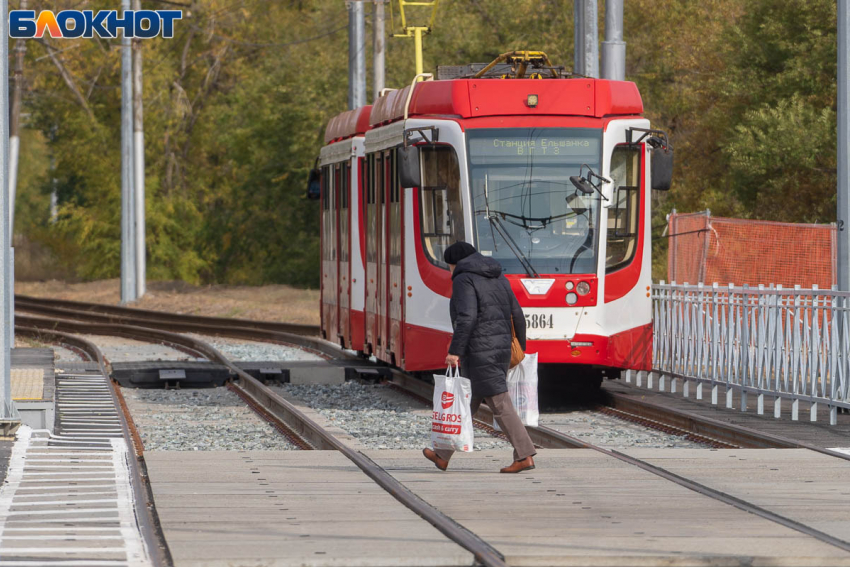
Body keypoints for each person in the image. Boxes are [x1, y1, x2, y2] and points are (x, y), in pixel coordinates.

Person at [423, 241, 537, 474]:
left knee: (499, 402)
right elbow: (517, 314)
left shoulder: (464, 279)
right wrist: (518, 347)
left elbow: (467, 317)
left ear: (455, 263)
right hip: (500, 347)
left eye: (449, 266)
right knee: (468, 400)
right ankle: (442, 455)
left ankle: (525, 455)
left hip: (480, 350)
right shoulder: (498, 276)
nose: (450, 271)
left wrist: (455, 351)